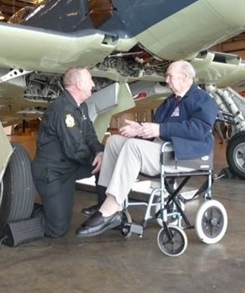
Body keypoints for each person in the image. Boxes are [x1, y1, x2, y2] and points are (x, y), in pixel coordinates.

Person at [75, 60, 218, 237]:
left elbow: (199, 129)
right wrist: (140, 129)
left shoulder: (203, 100)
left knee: (133, 146)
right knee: (113, 142)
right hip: (162, 150)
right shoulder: (170, 102)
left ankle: (112, 207)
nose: (166, 80)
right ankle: (104, 199)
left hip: (182, 155)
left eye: (170, 76)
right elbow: (156, 127)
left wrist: (159, 129)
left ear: (185, 77)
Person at [30, 67, 104, 238]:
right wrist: (96, 159)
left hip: (70, 167)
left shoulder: (81, 107)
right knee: (57, 229)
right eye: (90, 80)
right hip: (52, 172)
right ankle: (20, 207)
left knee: (108, 161)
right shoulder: (63, 110)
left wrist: (100, 153)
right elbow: (75, 149)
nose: (93, 84)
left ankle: (104, 211)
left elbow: (90, 136)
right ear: (79, 84)